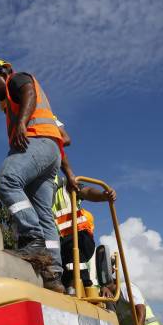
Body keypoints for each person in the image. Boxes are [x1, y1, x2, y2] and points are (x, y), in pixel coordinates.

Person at [0, 58, 65, 292]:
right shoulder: (10, 101)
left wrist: (22, 124)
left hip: (38, 141)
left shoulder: (17, 79)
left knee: (6, 181)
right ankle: (53, 274)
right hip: (51, 153)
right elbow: (62, 138)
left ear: (0, 74)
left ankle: (33, 239)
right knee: (44, 213)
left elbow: (28, 92)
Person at [50, 118, 115, 292]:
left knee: (74, 260)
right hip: (56, 244)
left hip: (77, 238)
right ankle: (70, 287)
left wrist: (103, 195)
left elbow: (85, 191)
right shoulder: (34, 191)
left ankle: (77, 288)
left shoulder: (66, 183)